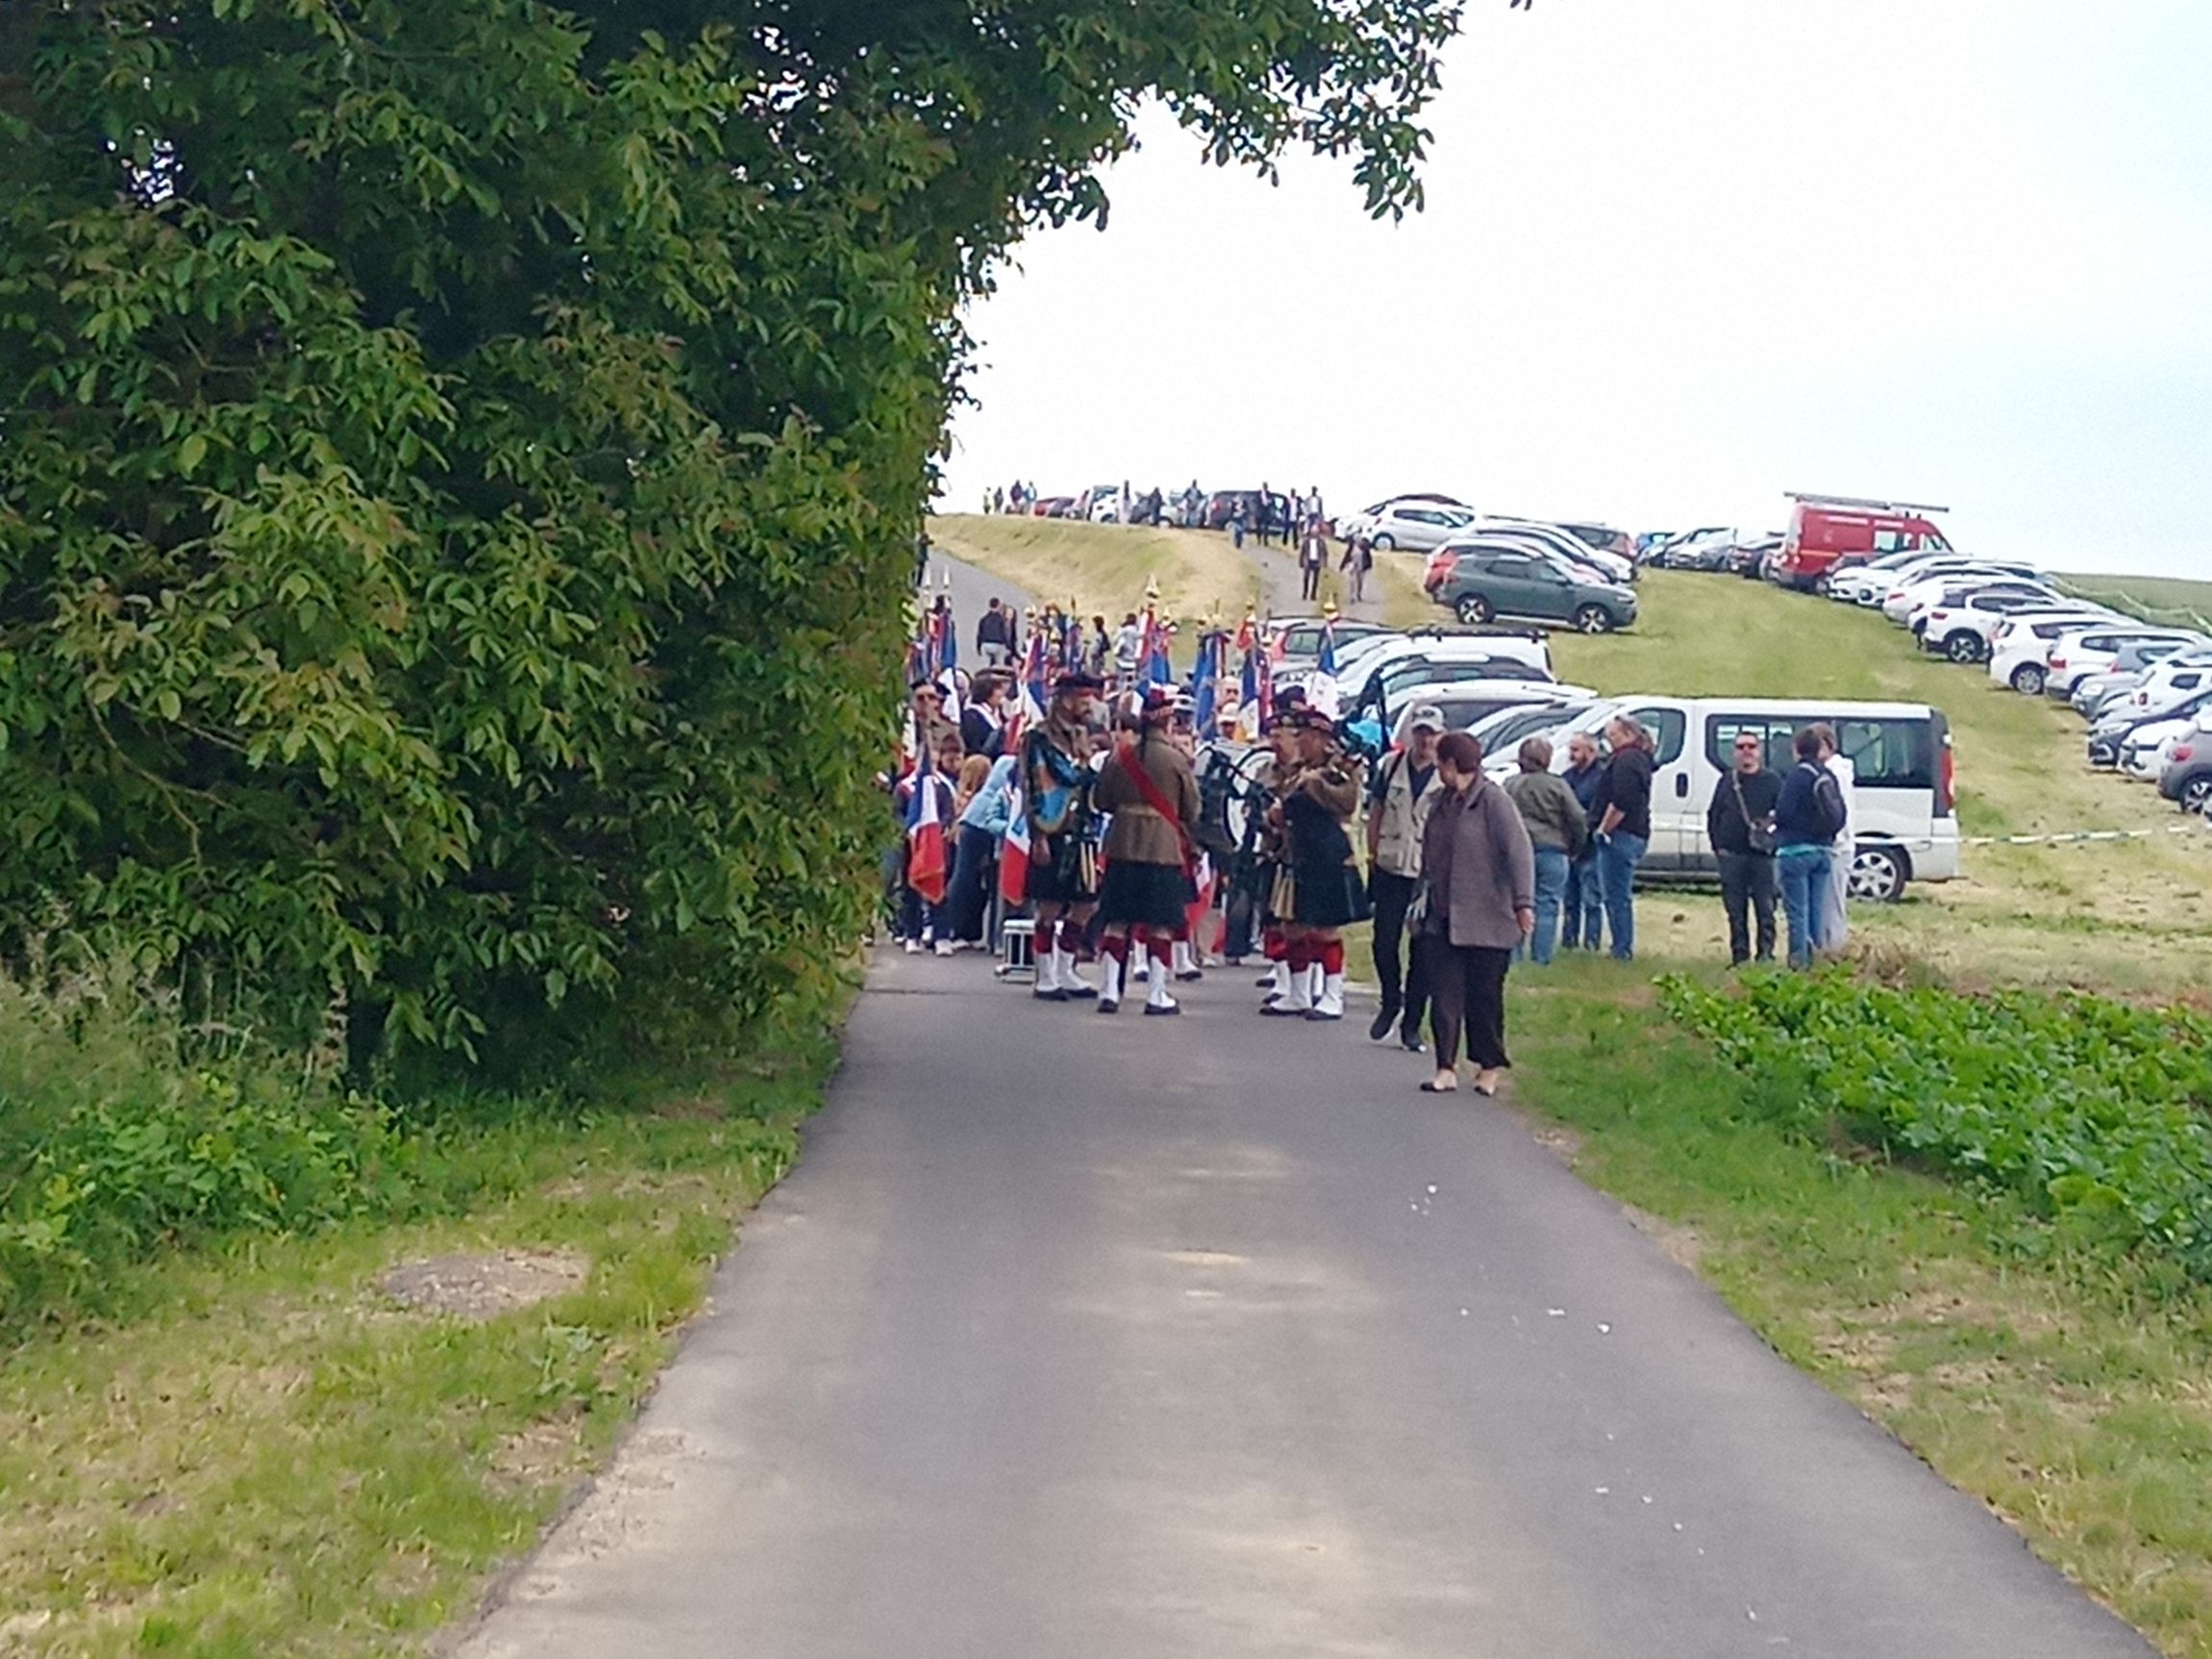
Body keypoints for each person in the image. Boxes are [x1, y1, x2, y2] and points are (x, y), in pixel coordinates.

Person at [1418, 732, 1535, 1096]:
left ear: (1452, 764)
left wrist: (1523, 903)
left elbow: (1518, 852)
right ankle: (1445, 1067)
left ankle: (1488, 1067)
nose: (1438, 771)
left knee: (1484, 998)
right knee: (1444, 995)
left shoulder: (1494, 802)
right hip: (1442, 914)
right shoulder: (1441, 803)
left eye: (1440, 764)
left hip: (1488, 917)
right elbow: (1429, 855)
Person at [1093, 687, 1203, 1016]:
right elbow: (1191, 809)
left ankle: (1109, 991)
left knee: (1116, 920)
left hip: (1121, 846)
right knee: (1160, 923)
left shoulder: (1118, 757)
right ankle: (1157, 994)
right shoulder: (1176, 759)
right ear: (1167, 723)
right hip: (1162, 849)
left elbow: (1101, 801)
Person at [1264, 710, 1367, 1021]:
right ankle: (1298, 994)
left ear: (1322, 739)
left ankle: (1333, 995)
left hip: (1329, 857)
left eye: (1306, 737)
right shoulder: (1299, 770)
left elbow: (1346, 802)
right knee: (1293, 926)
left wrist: (1314, 785)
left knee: (1325, 928)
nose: (1300, 742)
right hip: (1298, 854)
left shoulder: (1341, 769)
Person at [1364, 705, 1448, 1050]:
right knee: (1383, 942)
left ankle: (1412, 1023)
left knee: (1423, 952)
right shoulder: (1390, 765)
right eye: (1421, 732)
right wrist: (1371, 855)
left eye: (1432, 734)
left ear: (1441, 735)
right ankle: (1390, 1000)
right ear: (1412, 733)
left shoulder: (1446, 773)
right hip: (1390, 865)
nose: (1426, 740)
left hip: (1426, 874)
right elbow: (1376, 811)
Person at [1023, 672, 1106, 1000]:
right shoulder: (1039, 738)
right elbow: (1036, 784)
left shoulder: (1084, 735)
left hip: (1083, 828)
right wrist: (1037, 835)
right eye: (1084, 699)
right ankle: (1045, 975)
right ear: (1066, 700)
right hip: (1052, 827)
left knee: (1087, 902)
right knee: (1050, 904)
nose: (1089, 706)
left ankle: (1066, 967)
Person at [1502, 735, 1588, 966]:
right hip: (1553, 849)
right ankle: (1541, 959)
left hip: (1517, 850)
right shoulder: (1557, 785)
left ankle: (1514, 956)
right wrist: (1575, 846)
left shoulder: (1509, 785)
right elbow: (1577, 818)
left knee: (1516, 903)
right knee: (1547, 905)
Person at [1706, 730, 1781, 966]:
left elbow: (1782, 816)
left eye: (1751, 746)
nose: (1746, 751)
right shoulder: (1727, 781)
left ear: (1759, 751)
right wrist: (1718, 846)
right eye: (1740, 747)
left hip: (1763, 857)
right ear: (1734, 752)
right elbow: (1714, 814)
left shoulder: (1773, 781)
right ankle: (1740, 956)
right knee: (1735, 911)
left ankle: (1765, 954)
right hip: (1732, 855)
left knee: (1766, 908)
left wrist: (1772, 839)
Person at [1775, 726, 1847, 970]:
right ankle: (1818, 960)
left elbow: (1784, 812)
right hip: (1823, 850)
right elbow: (1840, 814)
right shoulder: (1827, 775)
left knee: (1797, 912)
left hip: (1795, 850)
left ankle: (1799, 963)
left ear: (1797, 750)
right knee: (1816, 910)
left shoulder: (1797, 776)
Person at [1591, 715, 1656, 961]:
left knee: (1616, 895)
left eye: (1613, 735)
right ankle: (1621, 945)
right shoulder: (1639, 759)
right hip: (1634, 832)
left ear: (1628, 734)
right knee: (1617, 894)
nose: (1610, 741)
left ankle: (1621, 948)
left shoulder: (1626, 760)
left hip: (1621, 834)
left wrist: (1603, 829)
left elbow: (1621, 801)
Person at [898, 730, 965, 954]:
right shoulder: (905, 788)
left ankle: (941, 935)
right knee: (911, 892)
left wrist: (941, 827)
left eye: (935, 763)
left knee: (939, 889)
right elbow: (898, 814)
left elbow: (947, 812)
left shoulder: (941, 787)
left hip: (936, 846)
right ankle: (912, 934)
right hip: (912, 847)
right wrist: (909, 830)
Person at [1810, 722, 1856, 954]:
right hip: (1834, 846)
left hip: (1837, 847)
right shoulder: (1830, 771)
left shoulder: (1835, 773)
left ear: (1829, 745)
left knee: (1832, 906)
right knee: (1825, 905)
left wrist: (1833, 839)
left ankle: (1834, 950)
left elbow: (1838, 811)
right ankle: (1825, 948)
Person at [1560, 732, 1606, 952]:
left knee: (1592, 899)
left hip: (1591, 846)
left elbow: (1598, 811)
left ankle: (1591, 943)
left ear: (1591, 751)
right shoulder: (1567, 777)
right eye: (1571, 749)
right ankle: (1569, 941)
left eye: (1576, 750)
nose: (1571, 755)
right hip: (1568, 843)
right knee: (1569, 899)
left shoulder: (1601, 778)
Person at [960, 673, 1009, 761]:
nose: (1002, 693)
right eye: (998, 689)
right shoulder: (972, 716)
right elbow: (975, 746)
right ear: (986, 692)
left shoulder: (1001, 715)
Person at [976, 597, 1013, 669]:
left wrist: (978, 647)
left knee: (986, 666)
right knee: (999, 665)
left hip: (986, 644)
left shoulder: (983, 619)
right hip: (998, 645)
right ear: (998, 606)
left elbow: (979, 634)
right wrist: (1008, 646)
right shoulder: (1001, 620)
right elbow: (1005, 634)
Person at [1298, 520, 1328, 604]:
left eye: (1316, 532)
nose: (1314, 533)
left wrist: (1324, 563)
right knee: (1306, 578)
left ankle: (1313, 594)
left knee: (1316, 579)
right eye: (1313, 532)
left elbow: (1325, 553)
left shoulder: (1321, 541)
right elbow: (1302, 552)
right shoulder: (1306, 541)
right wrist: (1301, 562)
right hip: (1308, 560)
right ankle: (1305, 593)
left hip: (1317, 561)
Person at [1339, 532, 1374, 605]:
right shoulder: (1352, 547)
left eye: (1360, 540)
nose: (1359, 541)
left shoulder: (1365, 547)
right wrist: (1342, 566)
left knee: (1360, 582)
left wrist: (1369, 566)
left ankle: (1358, 594)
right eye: (1357, 540)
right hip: (1353, 566)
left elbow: (1369, 557)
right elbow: (1347, 556)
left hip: (1362, 567)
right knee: (1352, 581)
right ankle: (1352, 596)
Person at [1112, 613, 1142, 686]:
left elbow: (1114, 640)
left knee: (1120, 681)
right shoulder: (1138, 632)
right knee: (1131, 682)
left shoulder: (1123, 630)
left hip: (1122, 661)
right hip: (1133, 662)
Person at [1255, 483, 1274, 548]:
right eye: (1264, 486)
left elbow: (1272, 501)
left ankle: (1265, 541)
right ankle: (1259, 540)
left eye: (1266, 486)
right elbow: (1256, 501)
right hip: (1259, 512)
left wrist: (1268, 501)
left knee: (1266, 527)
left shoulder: (1269, 493)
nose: (1265, 487)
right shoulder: (1258, 493)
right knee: (1258, 527)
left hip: (1266, 512)